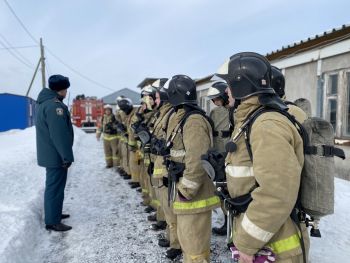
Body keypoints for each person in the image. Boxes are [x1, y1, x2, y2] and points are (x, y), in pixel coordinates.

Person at [217, 52, 309, 263]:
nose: (226, 91)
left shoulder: (266, 125)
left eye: (229, 85)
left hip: (275, 246)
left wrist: (248, 244)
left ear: (242, 85)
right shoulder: (251, 120)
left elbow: (277, 193)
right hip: (265, 237)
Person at [163, 75, 221, 262]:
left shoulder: (193, 120)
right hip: (185, 190)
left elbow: (196, 159)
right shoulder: (183, 117)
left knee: (194, 246)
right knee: (188, 242)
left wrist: (186, 189)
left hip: (193, 193)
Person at [35, 74, 74, 232]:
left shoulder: (45, 103)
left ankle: (55, 213)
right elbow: (59, 135)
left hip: (51, 153)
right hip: (56, 155)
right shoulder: (54, 106)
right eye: (66, 89)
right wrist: (66, 156)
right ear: (62, 90)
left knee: (55, 186)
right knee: (54, 187)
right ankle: (52, 221)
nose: (66, 92)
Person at [206, 81, 231, 236]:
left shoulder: (235, 110)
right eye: (213, 99)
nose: (215, 102)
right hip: (218, 153)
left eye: (216, 98)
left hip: (230, 152)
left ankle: (232, 224)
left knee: (231, 190)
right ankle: (227, 221)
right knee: (221, 189)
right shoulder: (214, 112)